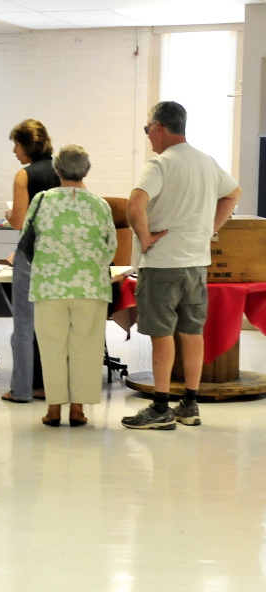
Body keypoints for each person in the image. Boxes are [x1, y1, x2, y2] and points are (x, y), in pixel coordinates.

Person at [121, 101, 241, 430]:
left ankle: (160, 408)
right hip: (197, 264)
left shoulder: (159, 165)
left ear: (159, 127)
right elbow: (233, 194)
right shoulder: (207, 162)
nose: (148, 137)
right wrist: (210, 230)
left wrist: (144, 238)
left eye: (147, 130)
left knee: (162, 336)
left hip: (162, 265)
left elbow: (135, 204)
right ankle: (190, 404)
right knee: (192, 333)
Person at [27, 145, 117, 427]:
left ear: (57, 170)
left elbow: (26, 237)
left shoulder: (42, 200)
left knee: (52, 346)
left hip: (49, 285)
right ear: (86, 171)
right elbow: (111, 247)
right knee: (86, 347)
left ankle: (54, 409)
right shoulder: (100, 205)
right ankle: (77, 410)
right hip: (90, 286)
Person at [2, 119, 60, 404]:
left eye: (16, 144)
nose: (14, 150)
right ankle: (53, 387)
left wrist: (9, 212)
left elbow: (19, 222)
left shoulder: (23, 176)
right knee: (55, 325)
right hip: (59, 256)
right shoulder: (63, 171)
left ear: (26, 145)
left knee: (24, 325)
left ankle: (21, 389)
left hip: (31, 253)